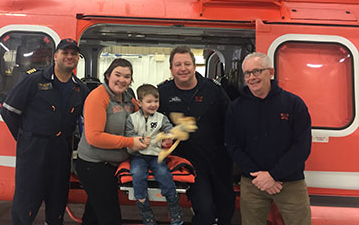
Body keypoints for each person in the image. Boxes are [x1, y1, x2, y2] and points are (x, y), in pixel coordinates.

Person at [0, 38, 89, 224]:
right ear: (55, 56)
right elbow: (9, 111)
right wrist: (25, 138)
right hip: (33, 150)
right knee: (26, 201)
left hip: (61, 151)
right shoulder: (33, 80)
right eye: (65, 53)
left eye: (73, 54)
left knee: (57, 201)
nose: (69, 57)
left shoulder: (80, 89)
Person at [225, 52, 312, 225]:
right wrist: (259, 176)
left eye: (257, 71)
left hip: (289, 183)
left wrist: (273, 175)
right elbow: (232, 146)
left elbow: (302, 146)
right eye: (247, 73)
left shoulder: (294, 104)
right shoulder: (235, 108)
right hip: (252, 183)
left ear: (270, 72)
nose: (251, 78)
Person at [158, 46, 235, 225]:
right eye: (178, 64)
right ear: (171, 69)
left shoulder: (213, 90)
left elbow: (231, 120)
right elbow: (151, 123)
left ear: (194, 66)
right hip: (188, 163)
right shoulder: (162, 93)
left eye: (187, 63)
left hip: (218, 160)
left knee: (226, 208)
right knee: (205, 210)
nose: (182, 68)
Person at [76, 58, 147, 225]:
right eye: (118, 75)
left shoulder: (129, 96)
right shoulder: (97, 97)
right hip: (94, 166)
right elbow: (94, 137)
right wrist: (129, 142)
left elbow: (141, 119)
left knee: (94, 214)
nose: (122, 80)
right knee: (110, 218)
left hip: (113, 166)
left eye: (127, 76)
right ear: (108, 75)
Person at [125, 84, 183, 225]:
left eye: (156, 101)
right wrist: (138, 142)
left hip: (156, 155)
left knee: (164, 174)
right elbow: (129, 136)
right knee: (137, 174)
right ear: (139, 102)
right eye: (149, 101)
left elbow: (169, 130)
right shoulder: (131, 119)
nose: (153, 105)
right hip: (138, 155)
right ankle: (145, 212)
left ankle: (174, 208)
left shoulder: (161, 118)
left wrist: (168, 139)